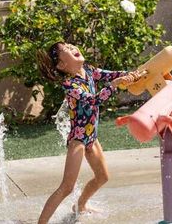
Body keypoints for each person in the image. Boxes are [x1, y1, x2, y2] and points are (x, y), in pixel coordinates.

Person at [36, 41, 140, 223]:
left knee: (102, 177)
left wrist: (129, 75)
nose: (72, 48)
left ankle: (80, 205)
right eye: (66, 50)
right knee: (67, 187)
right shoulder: (69, 85)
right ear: (62, 65)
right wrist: (114, 85)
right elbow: (93, 101)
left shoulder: (90, 71)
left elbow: (111, 75)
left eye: (70, 45)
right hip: (79, 140)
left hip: (92, 137)